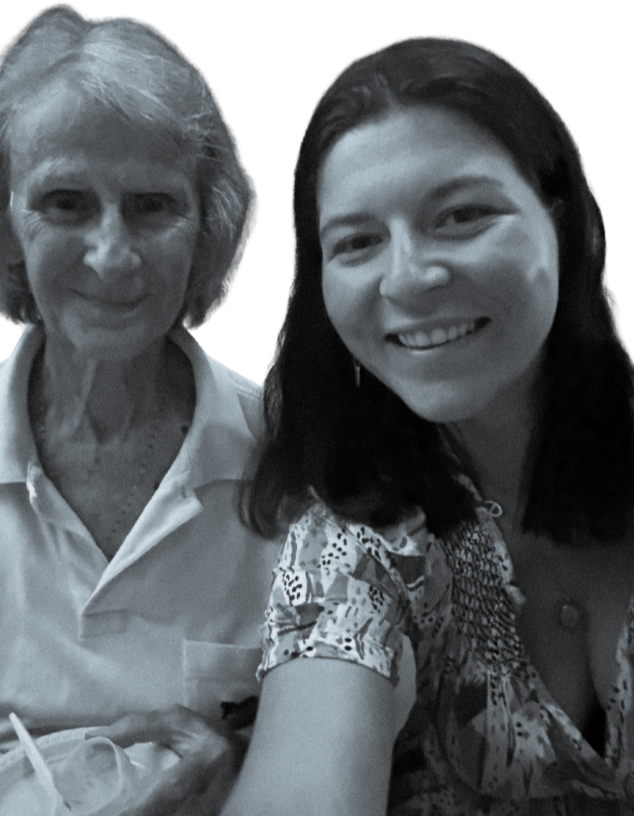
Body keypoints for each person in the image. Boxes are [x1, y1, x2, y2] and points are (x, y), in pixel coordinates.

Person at [0, 6, 281, 815]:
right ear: (0, 221)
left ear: (207, 226)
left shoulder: (291, 456)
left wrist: (244, 760)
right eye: (66, 203)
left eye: (153, 205)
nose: (111, 254)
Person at [222, 34, 634, 816]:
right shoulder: (355, 546)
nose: (408, 276)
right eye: (357, 242)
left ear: (563, 222)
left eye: (460, 215)